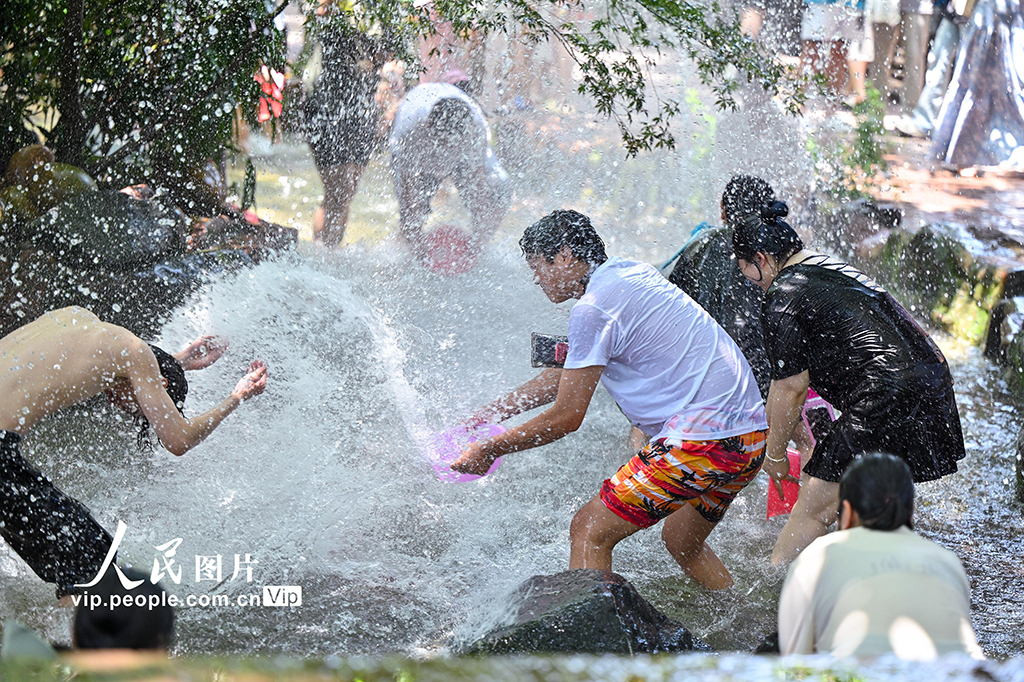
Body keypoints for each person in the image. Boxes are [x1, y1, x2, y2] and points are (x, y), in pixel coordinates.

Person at [452, 210, 768, 590]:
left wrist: (491, 448)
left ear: (565, 256)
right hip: (749, 437)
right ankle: (743, 620)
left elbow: (566, 417)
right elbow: (568, 372)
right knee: (682, 543)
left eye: (540, 267)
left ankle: (590, 642)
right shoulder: (630, 273)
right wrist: (491, 413)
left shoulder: (593, 308)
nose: (538, 279)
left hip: (703, 442)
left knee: (589, 529)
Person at [732, 202, 965, 565]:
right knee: (867, 506)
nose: (751, 283)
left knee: (812, 509)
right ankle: (883, 581)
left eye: (746, 270)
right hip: (931, 379)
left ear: (761, 259)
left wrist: (773, 455)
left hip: (886, 393)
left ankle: (778, 594)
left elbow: (789, 388)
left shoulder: (783, 294)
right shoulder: (826, 267)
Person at [0, 306, 267, 598]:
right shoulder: (134, 354)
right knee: (92, 562)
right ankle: (79, 642)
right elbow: (179, 440)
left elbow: (90, 360)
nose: (120, 406)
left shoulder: (80, 319)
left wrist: (176, 362)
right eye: (138, 408)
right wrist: (237, 396)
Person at [778, 453, 983, 659]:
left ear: (847, 512)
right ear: (910, 512)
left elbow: (795, 663)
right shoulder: (947, 562)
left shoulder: (818, 557)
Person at [303, 18, 402, 247]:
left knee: (345, 193)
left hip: (361, 109)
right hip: (326, 106)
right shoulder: (342, 15)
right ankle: (321, 254)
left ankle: (331, 252)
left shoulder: (377, 12)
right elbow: (322, 13)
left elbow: (386, 57)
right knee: (335, 192)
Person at [388, 81, 512, 263]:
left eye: (454, 144)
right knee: (412, 216)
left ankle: (480, 250)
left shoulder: (474, 128)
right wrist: (418, 249)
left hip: (464, 154)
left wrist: (476, 246)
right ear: (428, 127)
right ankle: (404, 256)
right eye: (443, 144)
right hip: (421, 159)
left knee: (501, 190)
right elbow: (409, 199)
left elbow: (478, 190)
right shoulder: (409, 132)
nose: (448, 151)